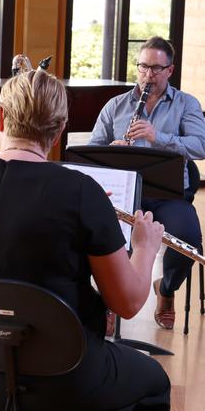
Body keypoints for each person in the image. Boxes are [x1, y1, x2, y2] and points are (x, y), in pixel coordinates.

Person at [0, 69, 170, 410]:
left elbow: (0, 271)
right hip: (63, 373)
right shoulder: (80, 191)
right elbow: (129, 303)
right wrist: (146, 246)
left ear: (1, 116)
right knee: (155, 382)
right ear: (61, 128)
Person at [90, 36, 205, 331]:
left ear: (170, 70)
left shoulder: (186, 104)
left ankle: (165, 289)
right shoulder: (116, 106)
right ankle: (109, 302)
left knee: (189, 239)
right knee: (104, 237)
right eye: (143, 67)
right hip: (126, 193)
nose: (148, 75)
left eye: (156, 68)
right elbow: (91, 150)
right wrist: (111, 151)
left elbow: (201, 145)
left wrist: (159, 138)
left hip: (169, 195)